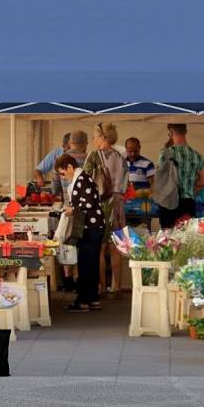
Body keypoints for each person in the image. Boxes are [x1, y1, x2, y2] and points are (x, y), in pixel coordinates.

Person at [55, 153, 104, 312]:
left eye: (63, 173)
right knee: (90, 263)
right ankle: (92, 298)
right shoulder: (83, 179)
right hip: (91, 225)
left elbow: (88, 203)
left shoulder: (82, 180)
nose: (63, 177)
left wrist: (72, 209)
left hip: (90, 226)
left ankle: (83, 301)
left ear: (69, 167)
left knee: (86, 263)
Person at [84, 122, 128, 292]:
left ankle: (101, 286)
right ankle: (116, 286)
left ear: (103, 138)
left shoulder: (94, 156)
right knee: (116, 247)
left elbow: (86, 180)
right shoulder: (121, 156)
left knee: (99, 247)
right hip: (119, 204)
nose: (93, 140)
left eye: (95, 136)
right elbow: (125, 182)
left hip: (101, 204)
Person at [157, 123, 204, 228]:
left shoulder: (165, 153)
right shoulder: (197, 155)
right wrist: (190, 184)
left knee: (168, 238)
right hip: (188, 202)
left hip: (169, 202)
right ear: (186, 132)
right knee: (186, 237)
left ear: (170, 133)